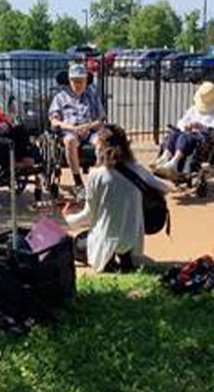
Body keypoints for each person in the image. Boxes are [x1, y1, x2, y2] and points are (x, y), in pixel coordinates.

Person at [62, 124, 170, 272]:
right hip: (132, 239)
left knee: (78, 243)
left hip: (107, 238)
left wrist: (67, 219)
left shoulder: (96, 175)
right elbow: (166, 188)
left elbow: (88, 216)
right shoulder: (137, 169)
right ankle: (124, 257)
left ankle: (107, 259)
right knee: (121, 227)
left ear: (101, 148)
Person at [49, 63, 106, 200]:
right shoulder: (60, 97)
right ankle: (78, 183)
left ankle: (95, 181)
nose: (78, 84)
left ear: (86, 81)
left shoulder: (92, 96)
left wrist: (88, 125)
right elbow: (54, 121)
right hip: (70, 131)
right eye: (75, 81)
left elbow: (101, 120)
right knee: (70, 141)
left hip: (89, 131)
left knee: (103, 143)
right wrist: (72, 127)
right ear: (69, 81)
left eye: (81, 81)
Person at [154, 82, 214, 181]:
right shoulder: (194, 109)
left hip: (203, 138)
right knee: (173, 134)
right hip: (188, 133)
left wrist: (201, 126)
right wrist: (186, 125)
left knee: (185, 137)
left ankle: (174, 162)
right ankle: (164, 157)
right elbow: (181, 122)